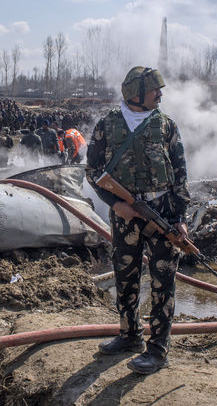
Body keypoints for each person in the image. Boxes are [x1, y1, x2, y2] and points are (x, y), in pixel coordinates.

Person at [86, 66, 189, 375]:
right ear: (136, 94)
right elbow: (92, 172)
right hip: (125, 217)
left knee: (162, 282)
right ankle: (130, 334)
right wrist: (117, 205)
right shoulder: (107, 125)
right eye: (155, 89)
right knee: (125, 275)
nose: (160, 94)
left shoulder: (167, 126)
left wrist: (181, 218)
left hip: (163, 214)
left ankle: (158, 349)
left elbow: (181, 175)